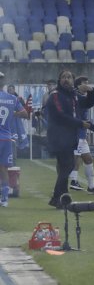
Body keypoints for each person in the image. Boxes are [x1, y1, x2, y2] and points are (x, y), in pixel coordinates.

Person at [46, 71, 94, 208]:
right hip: (58, 137)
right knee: (67, 165)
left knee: (65, 167)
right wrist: (80, 124)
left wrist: (91, 90)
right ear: (59, 80)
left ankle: (60, 197)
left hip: (70, 136)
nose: (66, 80)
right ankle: (58, 197)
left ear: (73, 80)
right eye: (63, 77)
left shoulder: (73, 96)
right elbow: (60, 116)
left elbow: (88, 103)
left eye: (69, 77)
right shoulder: (55, 96)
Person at [68, 76, 94, 195]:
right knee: (76, 157)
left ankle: (91, 186)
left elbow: (85, 120)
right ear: (78, 85)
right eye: (85, 83)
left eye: (88, 83)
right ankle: (73, 180)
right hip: (74, 133)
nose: (87, 85)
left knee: (88, 159)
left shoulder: (82, 99)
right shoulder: (73, 97)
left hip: (82, 133)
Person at [0, 72, 30, 207]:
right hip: (6, 138)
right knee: (4, 169)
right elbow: (25, 114)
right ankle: (5, 199)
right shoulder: (12, 98)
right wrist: (14, 114)